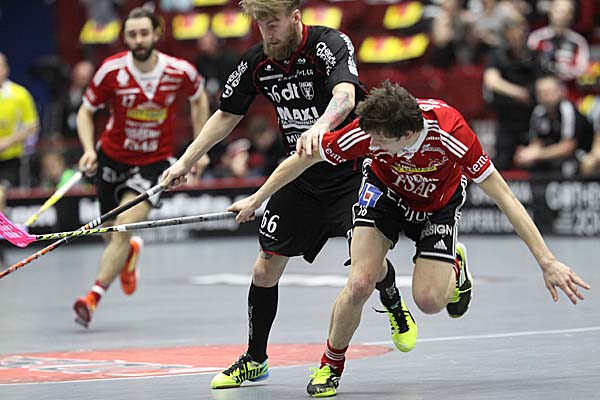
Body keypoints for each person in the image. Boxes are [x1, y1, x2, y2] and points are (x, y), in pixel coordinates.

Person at [227, 80, 591, 397]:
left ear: (404, 135)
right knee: (360, 282)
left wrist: (547, 262)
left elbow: (505, 197)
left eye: (379, 140)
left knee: (429, 302)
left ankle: (455, 265)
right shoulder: (369, 132)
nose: (370, 143)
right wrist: (257, 198)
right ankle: (330, 366)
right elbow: (305, 158)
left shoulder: (450, 132)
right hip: (384, 195)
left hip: (437, 205)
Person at [161, 0, 417, 390]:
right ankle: (255, 359)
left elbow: (345, 96)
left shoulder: (328, 44)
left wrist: (322, 126)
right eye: (261, 25)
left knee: (366, 268)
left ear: (295, 17)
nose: (267, 32)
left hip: (353, 171)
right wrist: (186, 161)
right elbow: (227, 114)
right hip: (300, 174)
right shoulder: (257, 61)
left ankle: (393, 300)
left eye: (274, 23)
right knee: (264, 269)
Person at [72, 7, 210, 328]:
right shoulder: (111, 71)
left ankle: (92, 298)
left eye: (144, 33)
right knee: (112, 234)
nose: (138, 40)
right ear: (125, 37)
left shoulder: (179, 71)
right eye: (132, 35)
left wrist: (199, 148)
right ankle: (131, 249)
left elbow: (199, 98)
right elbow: (85, 112)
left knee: (122, 225)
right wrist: (87, 150)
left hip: (154, 164)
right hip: (111, 158)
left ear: (157, 34)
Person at [483, 16, 543, 170]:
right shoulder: (497, 55)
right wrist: (518, 92)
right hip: (506, 116)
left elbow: (543, 82)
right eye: (511, 34)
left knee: (531, 162)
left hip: (530, 116)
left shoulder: (534, 56)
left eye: (519, 34)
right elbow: (491, 81)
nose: (515, 38)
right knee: (502, 161)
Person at [0, 52, 40, 268]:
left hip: (10, 160)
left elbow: (32, 127)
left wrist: (8, 141)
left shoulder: (20, 94)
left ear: (6, 69)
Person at [514, 74, 594, 176]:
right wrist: (527, 153)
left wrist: (537, 154)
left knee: (572, 166)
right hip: (551, 154)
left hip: (580, 153)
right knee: (530, 162)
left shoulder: (568, 110)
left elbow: (568, 147)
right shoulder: (538, 111)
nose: (545, 95)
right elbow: (536, 142)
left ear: (560, 92)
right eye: (541, 92)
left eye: (549, 91)